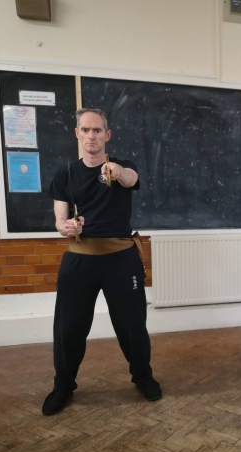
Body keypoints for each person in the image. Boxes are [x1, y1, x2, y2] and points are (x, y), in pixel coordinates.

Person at [42, 108, 161, 415]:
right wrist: (65, 226)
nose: (91, 136)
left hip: (121, 259)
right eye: (86, 130)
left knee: (132, 325)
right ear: (77, 134)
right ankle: (63, 386)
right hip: (79, 260)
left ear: (107, 135)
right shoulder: (64, 174)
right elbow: (59, 220)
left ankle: (143, 377)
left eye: (97, 131)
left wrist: (118, 172)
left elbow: (131, 178)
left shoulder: (122, 168)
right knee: (68, 327)